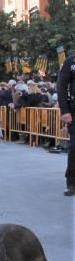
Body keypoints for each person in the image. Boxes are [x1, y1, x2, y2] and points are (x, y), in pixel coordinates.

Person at [57, 53, 75, 196]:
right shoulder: (71, 61)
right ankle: (71, 183)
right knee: (74, 148)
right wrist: (65, 110)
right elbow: (61, 86)